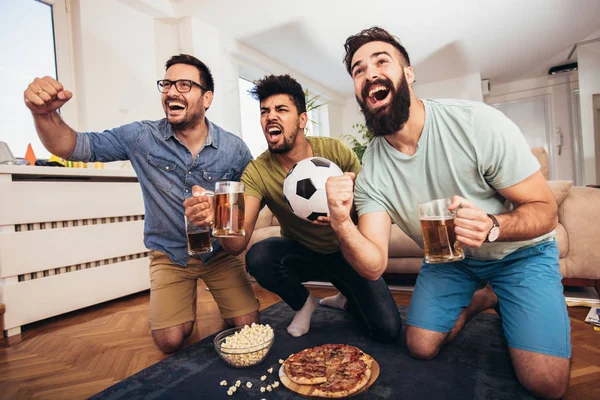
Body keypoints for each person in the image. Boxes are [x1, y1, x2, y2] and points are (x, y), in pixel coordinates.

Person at [326, 27, 571, 399]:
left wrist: (493, 226)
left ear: (407, 74)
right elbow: (374, 265)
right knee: (421, 346)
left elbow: (546, 211)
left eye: (381, 61)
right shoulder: (372, 166)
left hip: (520, 254)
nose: (369, 73)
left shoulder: (475, 124)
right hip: (450, 261)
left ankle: (500, 290)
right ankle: (484, 297)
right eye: (358, 70)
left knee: (546, 383)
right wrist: (341, 221)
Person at [23, 54, 259, 354]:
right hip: (170, 255)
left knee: (248, 323)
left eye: (184, 84)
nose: (172, 92)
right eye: (167, 84)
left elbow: (248, 200)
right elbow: (74, 146)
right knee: (170, 340)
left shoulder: (234, 149)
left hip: (219, 255)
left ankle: (222, 302)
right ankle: (182, 307)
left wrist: (218, 210)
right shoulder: (141, 136)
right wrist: (44, 115)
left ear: (207, 97)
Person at [185, 74, 401, 341]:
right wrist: (217, 218)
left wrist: (344, 212)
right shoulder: (257, 172)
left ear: (302, 120)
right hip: (303, 254)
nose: (270, 116)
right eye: (265, 111)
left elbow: (371, 206)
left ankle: (344, 297)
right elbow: (236, 245)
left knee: (387, 331)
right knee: (259, 255)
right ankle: (304, 303)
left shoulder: (334, 151)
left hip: (346, 252)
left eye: (281, 109)